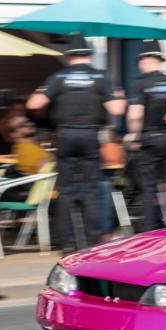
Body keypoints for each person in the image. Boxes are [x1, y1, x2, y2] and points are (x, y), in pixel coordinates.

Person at [27, 34, 125, 252]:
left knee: (67, 191)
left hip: (65, 136)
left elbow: (34, 104)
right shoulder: (101, 78)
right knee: (91, 190)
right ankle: (91, 242)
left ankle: (68, 244)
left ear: (69, 56)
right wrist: (118, 96)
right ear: (89, 56)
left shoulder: (58, 77)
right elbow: (117, 110)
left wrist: (43, 91)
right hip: (90, 136)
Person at [127, 40, 166, 232]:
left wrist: (135, 136)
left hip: (148, 138)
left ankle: (149, 228)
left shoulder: (140, 83)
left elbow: (135, 114)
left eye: (141, 60)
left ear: (147, 60)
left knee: (148, 187)